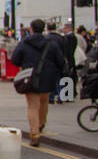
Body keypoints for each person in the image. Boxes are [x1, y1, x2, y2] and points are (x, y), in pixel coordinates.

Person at [10, 19, 66, 147]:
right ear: (44, 29)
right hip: (47, 76)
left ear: (31, 28)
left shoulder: (24, 42)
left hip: (30, 77)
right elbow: (60, 61)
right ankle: (41, 124)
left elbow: (15, 59)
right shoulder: (51, 43)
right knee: (44, 101)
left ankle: (34, 134)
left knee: (32, 106)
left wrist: (26, 63)